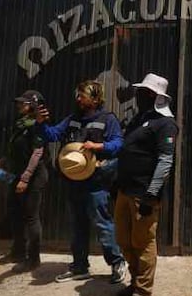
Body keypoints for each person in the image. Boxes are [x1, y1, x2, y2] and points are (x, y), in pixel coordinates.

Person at [36, 80, 126, 284]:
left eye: (82, 95)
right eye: (77, 95)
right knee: (77, 225)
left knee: (103, 224)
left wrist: (98, 146)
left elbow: (118, 144)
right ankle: (79, 267)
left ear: (95, 98)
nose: (78, 99)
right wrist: (41, 123)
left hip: (96, 181)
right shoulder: (72, 119)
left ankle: (117, 263)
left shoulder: (108, 119)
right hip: (75, 181)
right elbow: (52, 135)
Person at [114, 73, 178, 296]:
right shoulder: (139, 119)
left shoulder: (166, 124)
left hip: (143, 193)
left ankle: (142, 293)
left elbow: (165, 161)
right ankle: (133, 281)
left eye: (144, 92)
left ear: (154, 96)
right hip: (124, 189)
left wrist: (152, 195)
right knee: (123, 239)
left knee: (143, 242)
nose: (139, 95)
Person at [0, 90, 48, 272]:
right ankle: (18, 251)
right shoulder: (20, 124)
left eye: (24, 103)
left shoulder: (36, 126)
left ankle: (33, 258)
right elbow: (14, 150)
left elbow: (37, 153)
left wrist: (25, 178)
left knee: (31, 217)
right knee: (14, 212)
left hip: (33, 176)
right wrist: (0, 163)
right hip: (16, 174)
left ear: (34, 106)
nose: (19, 105)